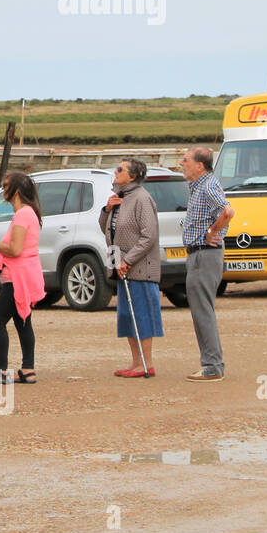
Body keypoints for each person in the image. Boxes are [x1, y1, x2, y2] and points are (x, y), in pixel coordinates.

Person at [0, 171, 45, 383]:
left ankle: (1, 371)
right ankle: (27, 369)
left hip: (18, 278)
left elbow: (15, 250)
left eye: (5, 186)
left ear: (17, 190)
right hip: (26, 275)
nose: (3, 189)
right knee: (23, 320)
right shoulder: (30, 213)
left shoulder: (23, 214)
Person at [99, 158, 164, 377]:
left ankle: (147, 363)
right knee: (127, 317)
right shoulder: (120, 196)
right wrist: (107, 209)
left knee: (142, 314)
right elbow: (106, 229)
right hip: (120, 265)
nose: (115, 171)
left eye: (120, 169)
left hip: (139, 268)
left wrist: (128, 260)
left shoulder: (142, 198)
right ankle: (135, 362)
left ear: (133, 176)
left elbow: (149, 235)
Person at [179, 145, 234, 382]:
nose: (182, 163)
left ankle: (212, 365)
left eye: (186, 160)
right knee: (201, 309)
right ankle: (210, 363)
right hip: (198, 254)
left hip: (204, 254)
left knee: (203, 310)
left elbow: (228, 211)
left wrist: (213, 230)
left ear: (200, 165)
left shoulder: (208, 185)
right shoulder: (199, 186)